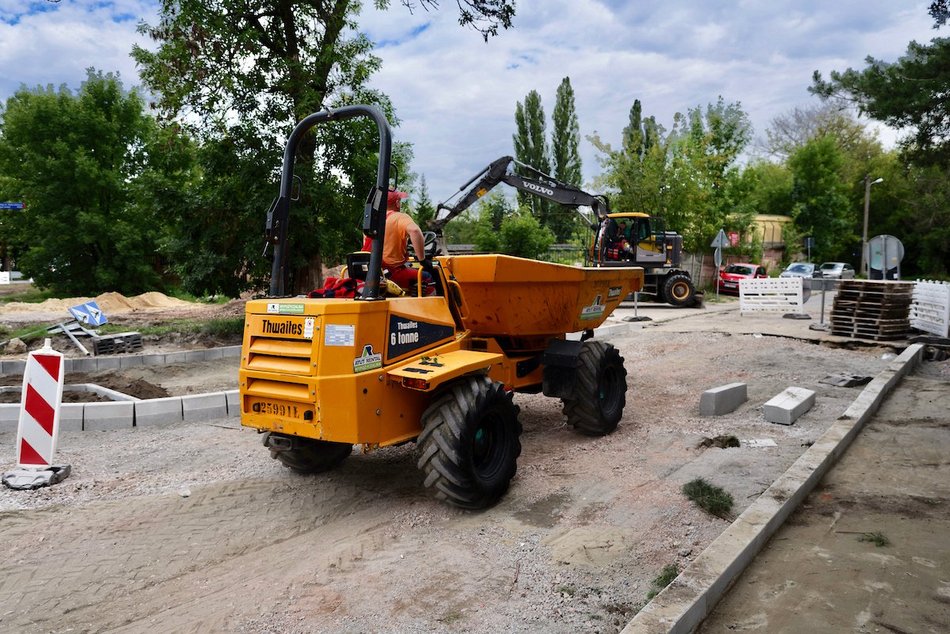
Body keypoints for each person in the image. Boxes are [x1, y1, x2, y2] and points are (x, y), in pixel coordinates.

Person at [362, 190, 433, 291]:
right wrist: (422, 260)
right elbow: (415, 231)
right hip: (392, 274)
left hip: (371, 274)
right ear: (397, 203)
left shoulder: (371, 221)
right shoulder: (399, 217)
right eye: (399, 201)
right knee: (428, 275)